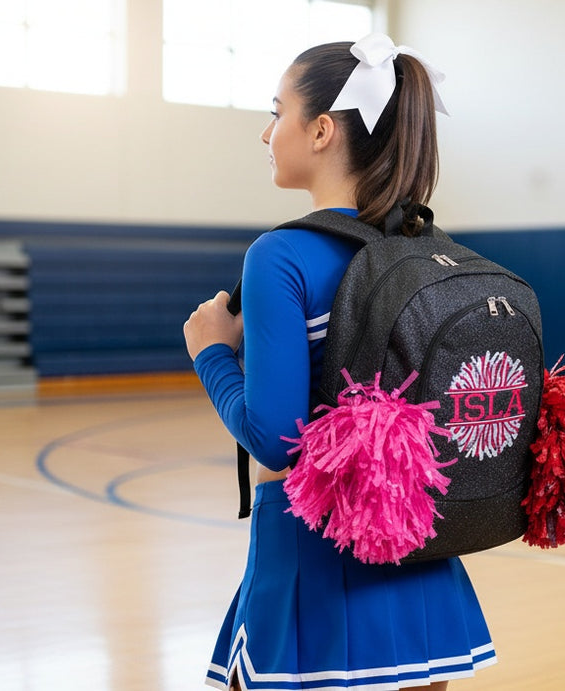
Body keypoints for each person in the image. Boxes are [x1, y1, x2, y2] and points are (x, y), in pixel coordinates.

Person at [183, 34, 496, 691]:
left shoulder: (281, 255)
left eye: (276, 111)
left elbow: (277, 438)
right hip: (425, 565)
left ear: (321, 129)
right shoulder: (428, 248)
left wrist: (211, 349)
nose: (265, 132)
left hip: (314, 567)